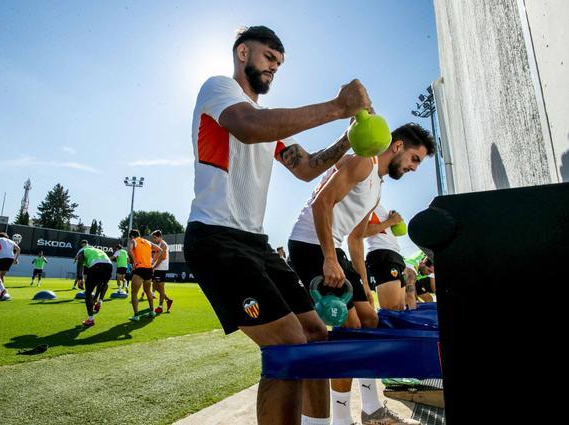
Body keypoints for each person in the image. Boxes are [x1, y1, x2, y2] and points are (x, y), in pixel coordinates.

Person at [183, 25, 373, 425]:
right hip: (215, 239)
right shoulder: (220, 90)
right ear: (242, 54)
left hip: (255, 243)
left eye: (279, 64)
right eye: (269, 58)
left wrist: (348, 138)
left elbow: (305, 168)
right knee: (288, 346)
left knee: (316, 335)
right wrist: (337, 106)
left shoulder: (268, 123)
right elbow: (248, 127)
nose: (274, 68)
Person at [288, 123, 434, 425]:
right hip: (310, 243)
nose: (414, 168)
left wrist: (363, 283)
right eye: (414, 159)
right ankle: (341, 418)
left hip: (335, 247)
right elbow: (321, 203)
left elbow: (356, 237)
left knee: (370, 321)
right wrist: (329, 258)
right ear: (397, 146)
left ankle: (371, 409)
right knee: (350, 328)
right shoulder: (362, 162)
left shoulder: (377, 187)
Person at [363, 205, 407, 310]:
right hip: (382, 254)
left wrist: (396, 221)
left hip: (395, 254)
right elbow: (363, 232)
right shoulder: (365, 202)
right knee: (392, 310)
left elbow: (400, 231)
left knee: (401, 308)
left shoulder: (377, 203)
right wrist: (391, 221)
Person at [75, 240, 112, 327]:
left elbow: (80, 261)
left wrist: (80, 278)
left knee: (88, 293)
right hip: (109, 265)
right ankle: (99, 301)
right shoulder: (96, 250)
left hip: (97, 265)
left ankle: (90, 319)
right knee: (102, 284)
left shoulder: (82, 251)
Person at [128, 229, 162, 321]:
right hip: (149, 270)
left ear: (131, 236)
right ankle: (152, 311)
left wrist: (134, 261)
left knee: (134, 293)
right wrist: (153, 262)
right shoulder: (147, 242)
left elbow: (129, 250)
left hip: (140, 269)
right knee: (148, 291)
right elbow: (160, 250)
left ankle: (136, 316)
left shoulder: (133, 241)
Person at [0, 232, 20, 299]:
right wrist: (15, 259)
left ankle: (3, 290)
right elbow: (18, 249)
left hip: (3, 258)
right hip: (10, 259)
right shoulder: (11, 241)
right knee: (2, 275)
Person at [150, 230, 173, 313]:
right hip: (157, 268)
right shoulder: (158, 245)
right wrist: (152, 264)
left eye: (155, 238)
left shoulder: (163, 244)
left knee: (161, 288)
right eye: (153, 238)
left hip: (161, 268)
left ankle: (160, 307)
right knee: (155, 287)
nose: (154, 239)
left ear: (160, 237)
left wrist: (154, 266)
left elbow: (162, 258)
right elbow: (156, 256)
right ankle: (168, 300)